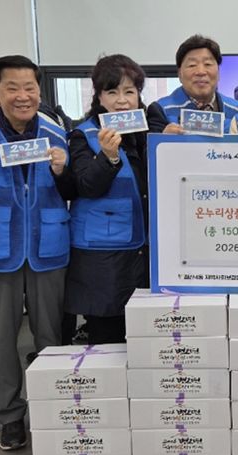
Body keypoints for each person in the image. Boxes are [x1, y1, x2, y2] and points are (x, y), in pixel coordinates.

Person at [0, 55, 73, 451]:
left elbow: (71, 188)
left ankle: (51, 409)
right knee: (2, 339)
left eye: (30, 88)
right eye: (12, 88)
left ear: (39, 90)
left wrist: (62, 171)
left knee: (50, 335)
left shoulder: (55, 132)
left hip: (46, 246)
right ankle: (9, 416)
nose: (23, 96)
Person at [64, 54, 149, 345]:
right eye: (112, 92)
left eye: (129, 91)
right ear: (99, 96)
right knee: (106, 337)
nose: (122, 101)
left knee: (143, 335)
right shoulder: (83, 134)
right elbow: (86, 185)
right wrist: (108, 157)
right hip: (102, 257)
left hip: (143, 252)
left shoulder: (147, 132)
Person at [146, 34, 238, 134]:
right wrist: (163, 139)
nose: (201, 72)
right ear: (179, 74)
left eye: (208, 64)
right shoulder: (161, 110)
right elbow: (150, 143)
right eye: (192, 65)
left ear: (218, 72)